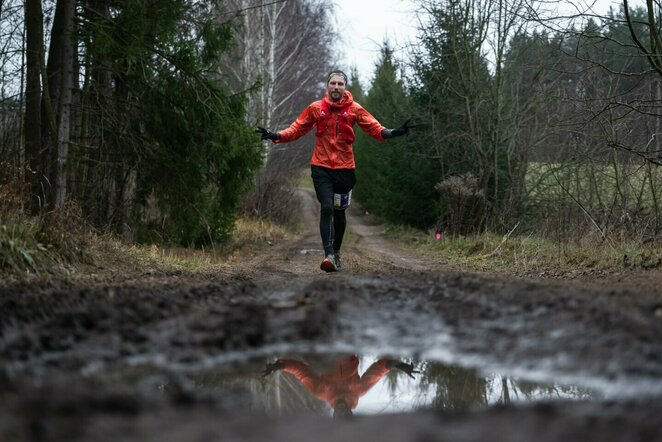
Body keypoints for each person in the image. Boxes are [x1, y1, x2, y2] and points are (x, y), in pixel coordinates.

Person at [257, 70, 411, 272]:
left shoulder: (354, 109)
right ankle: (328, 254)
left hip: (345, 170)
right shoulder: (315, 108)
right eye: (333, 83)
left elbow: (373, 127)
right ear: (327, 86)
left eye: (340, 84)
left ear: (345, 87)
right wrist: (276, 135)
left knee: (339, 212)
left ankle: (336, 253)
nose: (336, 87)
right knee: (327, 207)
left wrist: (392, 132)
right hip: (321, 167)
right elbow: (297, 128)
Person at [262, 355, 419, 418]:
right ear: (351, 413)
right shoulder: (358, 392)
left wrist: (279, 366)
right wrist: (400, 365)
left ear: (334, 414)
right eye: (347, 414)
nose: (342, 411)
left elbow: (301, 371)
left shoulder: (320, 392)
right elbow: (378, 370)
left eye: (339, 415)